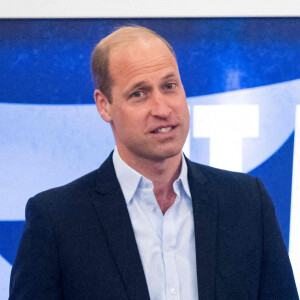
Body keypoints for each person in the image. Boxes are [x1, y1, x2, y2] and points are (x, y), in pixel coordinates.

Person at [9, 26, 298, 300]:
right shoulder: (57, 219)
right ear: (104, 105)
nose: (162, 109)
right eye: (139, 93)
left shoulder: (247, 201)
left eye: (170, 86)